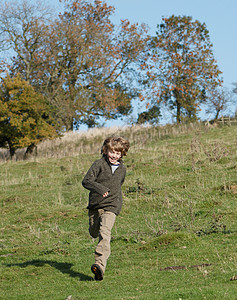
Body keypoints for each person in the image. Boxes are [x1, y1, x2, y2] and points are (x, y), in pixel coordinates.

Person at [82, 136, 130, 281]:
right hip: (96, 206)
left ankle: (100, 266)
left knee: (105, 233)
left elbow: (118, 186)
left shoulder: (122, 169)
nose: (114, 156)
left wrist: (117, 204)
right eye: (112, 152)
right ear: (106, 150)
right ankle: (93, 229)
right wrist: (100, 188)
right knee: (94, 232)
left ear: (122, 154)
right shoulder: (98, 164)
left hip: (111, 206)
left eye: (117, 153)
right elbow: (86, 181)